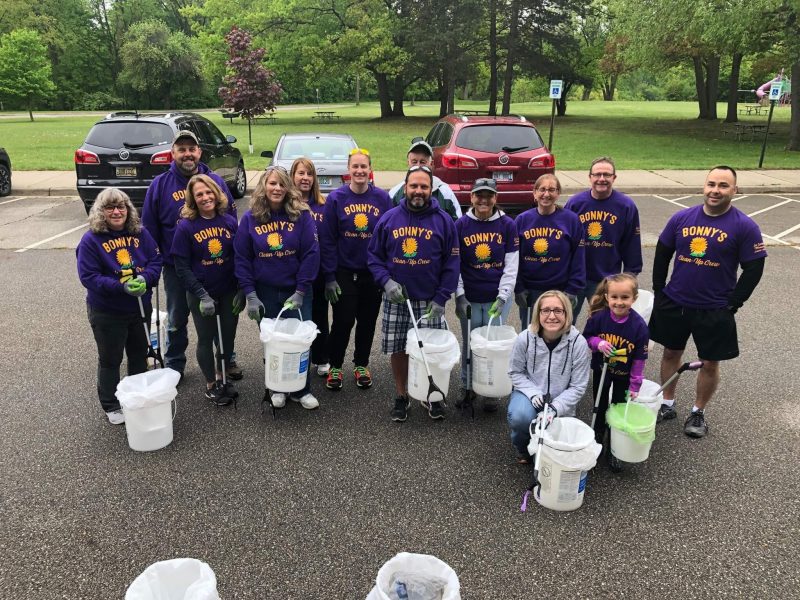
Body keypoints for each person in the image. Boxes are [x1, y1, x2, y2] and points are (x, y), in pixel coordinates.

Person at [648, 166, 766, 438]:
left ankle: (698, 412)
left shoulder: (745, 226)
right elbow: (663, 252)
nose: (716, 190)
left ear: (734, 190)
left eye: (723, 185)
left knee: (710, 363)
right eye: (711, 183)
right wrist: (659, 289)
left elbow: (754, 268)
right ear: (704, 186)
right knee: (670, 353)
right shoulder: (682, 218)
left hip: (714, 308)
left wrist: (735, 302)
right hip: (675, 301)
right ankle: (667, 403)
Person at [142, 130, 240, 381]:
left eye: (191, 148)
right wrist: (152, 263)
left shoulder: (214, 181)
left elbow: (231, 217)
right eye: (181, 149)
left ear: (199, 152)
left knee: (222, 316)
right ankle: (175, 363)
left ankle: (226, 360)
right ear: (172, 153)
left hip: (217, 266)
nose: (187, 153)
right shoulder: (160, 185)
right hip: (177, 267)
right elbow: (149, 229)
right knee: (177, 316)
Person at [368, 165, 460, 421]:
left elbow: (452, 264)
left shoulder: (444, 221)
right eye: (414, 186)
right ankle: (401, 394)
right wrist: (386, 282)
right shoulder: (389, 219)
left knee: (431, 351)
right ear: (405, 188)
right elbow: (374, 257)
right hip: (397, 299)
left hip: (431, 301)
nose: (418, 191)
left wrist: (442, 298)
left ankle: (432, 395)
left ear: (431, 190)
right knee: (399, 348)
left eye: (424, 186)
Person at [234, 166, 321, 410]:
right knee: (273, 343)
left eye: (282, 184)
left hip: (297, 290)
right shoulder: (251, 218)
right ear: (264, 186)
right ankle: (277, 387)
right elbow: (242, 257)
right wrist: (250, 294)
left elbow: (311, 254)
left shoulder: (301, 215)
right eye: (272, 183)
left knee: (300, 341)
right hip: (265, 291)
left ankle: (302, 389)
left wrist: (301, 290)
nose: (277, 188)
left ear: (288, 188)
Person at [76, 188, 163, 424]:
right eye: (110, 207)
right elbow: (89, 276)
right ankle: (111, 404)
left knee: (138, 355)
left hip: (139, 308)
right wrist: (120, 286)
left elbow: (156, 260)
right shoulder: (90, 241)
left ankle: (135, 396)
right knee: (110, 359)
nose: (117, 212)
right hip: (108, 311)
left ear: (128, 209)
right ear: (101, 212)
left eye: (121, 207)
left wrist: (146, 278)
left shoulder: (141, 234)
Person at [320, 149, 393, 392]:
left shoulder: (382, 199)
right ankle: (336, 366)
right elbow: (328, 240)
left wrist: (387, 273)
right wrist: (329, 277)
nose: (360, 171)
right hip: (344, 271)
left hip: (372, 273)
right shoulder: (336, 199)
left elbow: (388, 237)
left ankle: (361, 364)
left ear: (370, 170)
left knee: (367, 321)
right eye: (355, 167)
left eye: (364, 167)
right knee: (342, 320)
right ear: (348, 171)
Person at [171, 174, 242, 406]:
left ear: (216, 193)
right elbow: (181, 266)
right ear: (192, 199)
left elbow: (240, 257)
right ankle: (211, 383)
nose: (205, 197)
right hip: (201, 293)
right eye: (199, 194)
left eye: (208, 192)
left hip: (228, 289)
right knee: (206, 337)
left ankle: (222, 375)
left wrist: (241, 288)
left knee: (228, 336)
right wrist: (202, 294)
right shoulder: (185, 227)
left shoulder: (229, 222)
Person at [454, 178, 519, 412]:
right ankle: (467, 385)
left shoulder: (507, 225)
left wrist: (503, 296)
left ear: (495, 199)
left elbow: (511, 265)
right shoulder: (461, 225)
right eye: (479, 195)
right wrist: (459, 295)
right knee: (470, 343)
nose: (483, 200)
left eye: (488, 195)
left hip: (496, 296)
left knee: (492, 344)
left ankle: (491, 388)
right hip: (470, 295)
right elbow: (456, 264)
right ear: (471, 197)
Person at [506, 291, 590, 464]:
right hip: (530, 395)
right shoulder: (524, 339)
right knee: (520, 417)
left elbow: (578, 386)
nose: (552, 316)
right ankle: (523, 449)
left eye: (558, 311)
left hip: (560, 399)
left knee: (556, 449)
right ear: (538, 313)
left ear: (567, 313)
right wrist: (533, 393)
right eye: (546, 310)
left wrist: (555, 407)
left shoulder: (578, 343)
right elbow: (515, 372)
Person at [583, 273, 649, 472]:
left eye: (625, 297)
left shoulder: (639, 327)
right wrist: (598, 343)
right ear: (607, 297)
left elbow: (639, 358)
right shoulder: (599, 317)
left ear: (634, 299)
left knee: (618, 410)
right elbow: (587, 336)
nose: (619, 302)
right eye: (614, 297)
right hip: (602, 371)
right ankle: (596, 440)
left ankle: (614, 446)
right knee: (599, 406)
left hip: (623, 376)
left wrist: (635, 383)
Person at [564, 157, 642, 321]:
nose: (601, 179)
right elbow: (565, 243)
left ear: (614, 177)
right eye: (597, 174)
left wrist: (630, 276)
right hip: (575, 278)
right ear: (590, 177)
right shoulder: (575, 204)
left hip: (607, 280)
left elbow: (631, 244)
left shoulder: (626, 206)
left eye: (606, 175)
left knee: (604, 326)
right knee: (564, 324)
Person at [515, 174, 585, 329]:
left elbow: (578, 258)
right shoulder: (522, 220)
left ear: (558, 193)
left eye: (552, 190)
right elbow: (515, 259)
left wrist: (573, 289)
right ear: (534, 193)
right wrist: (518, 287)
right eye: (542, 189)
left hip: (560, 290)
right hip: (530, 290)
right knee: (531, 334)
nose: (546, 194)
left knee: (559, 333)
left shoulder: (571, 220)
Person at [291, 157, 330, 377]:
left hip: (320, 272)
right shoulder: (287, 206)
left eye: (309, 174)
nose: (305, 178)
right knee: (298, 317)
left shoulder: (324, 205)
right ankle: (298, 359)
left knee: (319, 316)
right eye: (301, 173)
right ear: (293, 176)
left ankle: (321, 357)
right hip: (294, 272)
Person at [388, 138, 462, 220]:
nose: (418, 166)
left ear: (431, 164)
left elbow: (457, 225)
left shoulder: (445, 193)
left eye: (423, 162)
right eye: (414, 162)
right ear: (408, 163)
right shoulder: (395, 193)